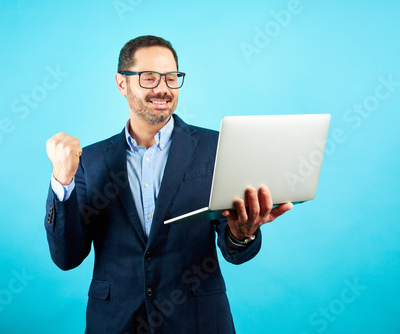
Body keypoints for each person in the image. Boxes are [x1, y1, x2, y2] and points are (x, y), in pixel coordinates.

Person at [44, 35, 293, 334]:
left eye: (171, 77)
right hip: (115, 322)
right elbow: (67, 257)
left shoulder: (217, 148)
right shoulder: (90, 160)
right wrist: (62, 179)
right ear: (122, 83)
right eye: (149, 78)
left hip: (198, 321)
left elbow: (235, 251)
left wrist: (242, 234)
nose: (163, 88)